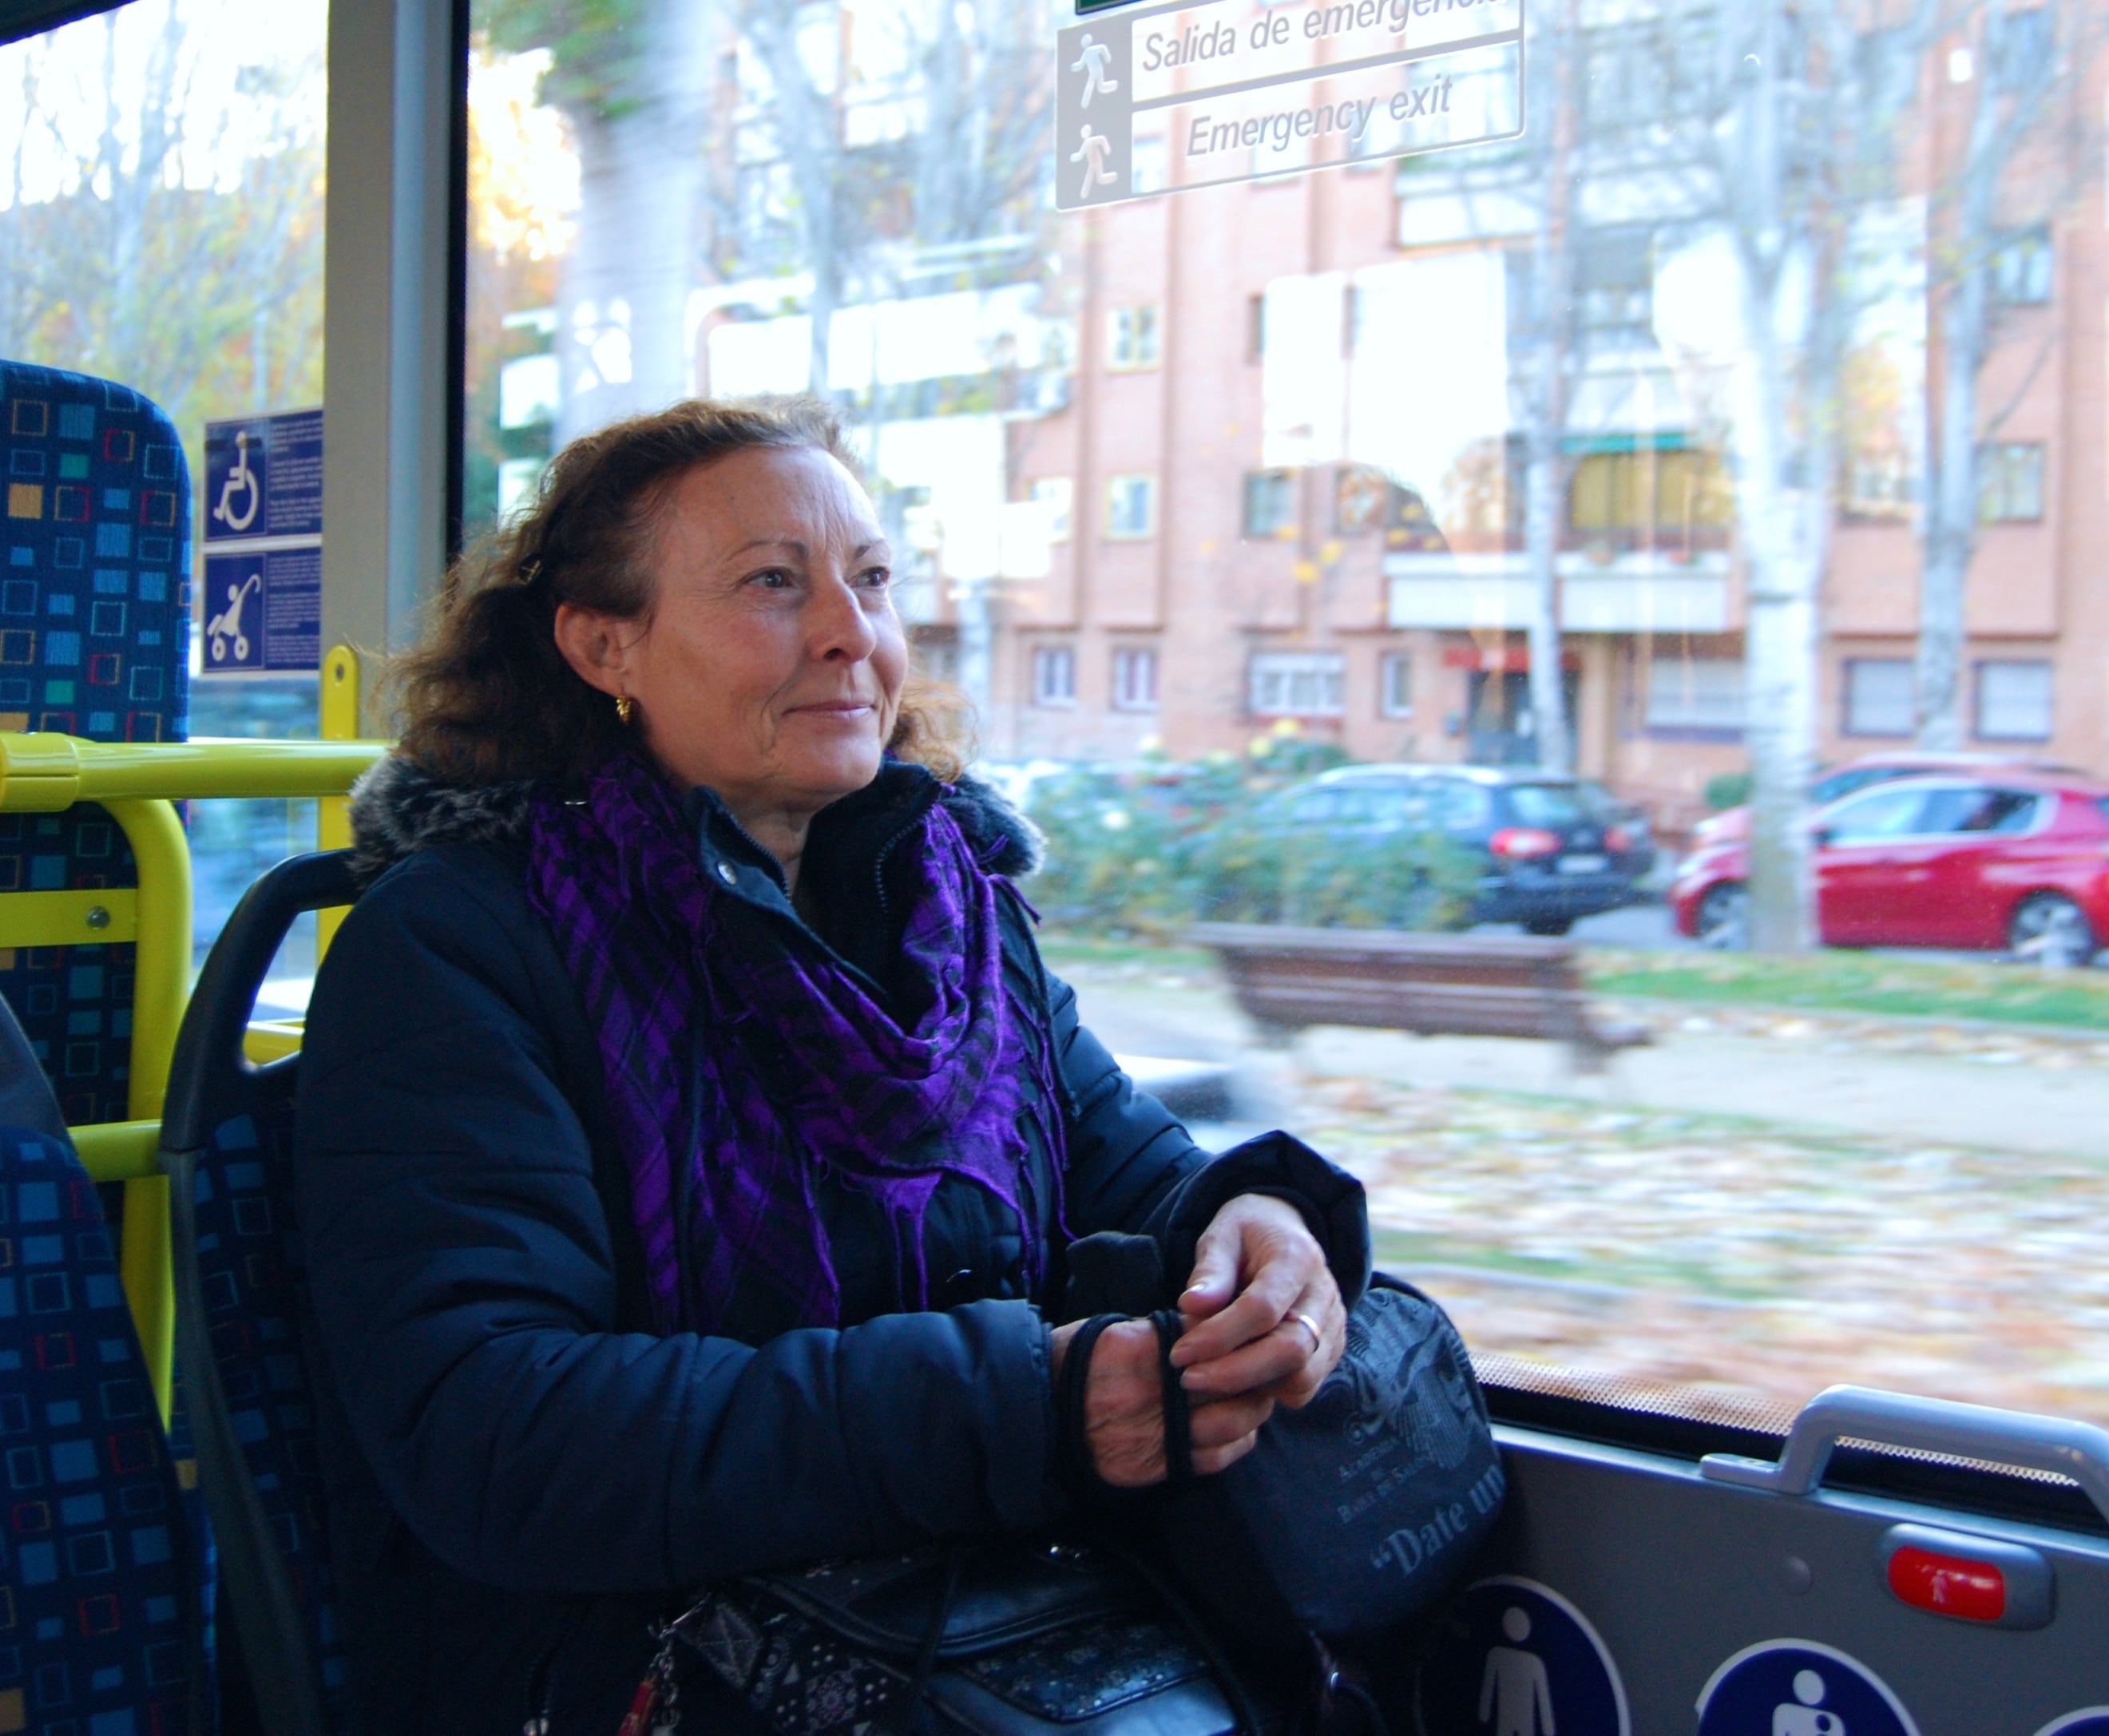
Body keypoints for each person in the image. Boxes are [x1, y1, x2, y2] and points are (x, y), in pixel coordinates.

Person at [295, 397, 1368, 1736]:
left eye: (870, 580)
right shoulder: (459, 949)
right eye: (771, 584)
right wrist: (1020, 1409)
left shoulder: (950, 914)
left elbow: (1133, 1166)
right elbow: (501, 1437)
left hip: (977, 1602)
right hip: (615, 1650)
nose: (849, 634)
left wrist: (1252, 1228)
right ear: (600, 640)